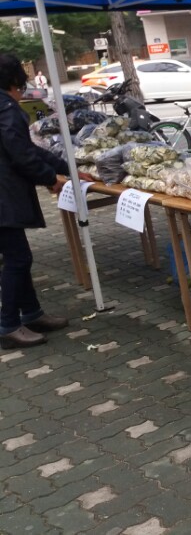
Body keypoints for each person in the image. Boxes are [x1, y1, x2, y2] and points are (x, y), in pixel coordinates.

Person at [0, 54, 93, 349]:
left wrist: (66, 168)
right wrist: (50, 179)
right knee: (17, 259)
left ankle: (31, 314)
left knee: (18, 258)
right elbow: (21, 154)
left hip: (5, 194)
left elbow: (26, 149)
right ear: (15, 81)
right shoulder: (6, 109)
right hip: (3, 196)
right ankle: (8, 326)